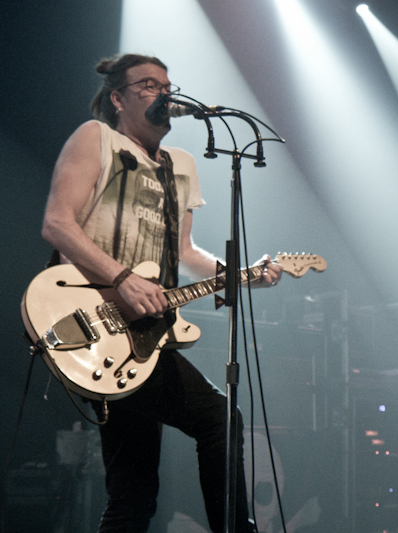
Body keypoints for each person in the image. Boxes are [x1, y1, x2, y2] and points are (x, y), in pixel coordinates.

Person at [40, 53, 282, 533]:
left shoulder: (181, 166)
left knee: (134, 494)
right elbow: (57, 223)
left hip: (148, 332)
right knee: (215, 421)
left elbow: (185, 252)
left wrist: (242, 274)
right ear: (118, 98)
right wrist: (122, 277)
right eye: (148, 85)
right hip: (94, 318)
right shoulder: (96, 138)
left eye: (167, 86)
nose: (163, 93)